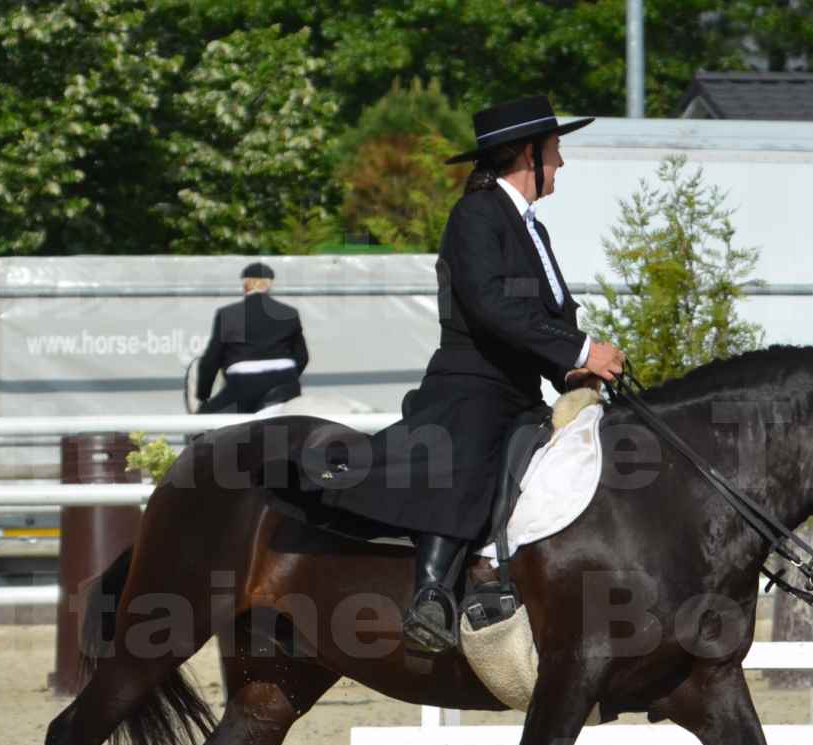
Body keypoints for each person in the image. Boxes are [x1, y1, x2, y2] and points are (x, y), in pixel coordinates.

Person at [316, 95, 626, 654]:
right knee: (472, 444)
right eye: (555, 152)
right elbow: (490, 307)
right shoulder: (476, 216)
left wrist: (579, 371)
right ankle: (431, 593)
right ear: (527, 155)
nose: (561, 164)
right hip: (472, 383)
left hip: (520, 387)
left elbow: (551, 314)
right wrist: (580, 348)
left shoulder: (534, 230)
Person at [196, 262, 309, 414]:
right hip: (285, 386)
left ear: (245, 285)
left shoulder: (229, 314)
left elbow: (211, 360)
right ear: (269, 285)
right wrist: (288, 378)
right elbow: (302, 357)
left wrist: (203, 395)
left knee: (202, 422)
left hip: (243, 385)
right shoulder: (289, 313)